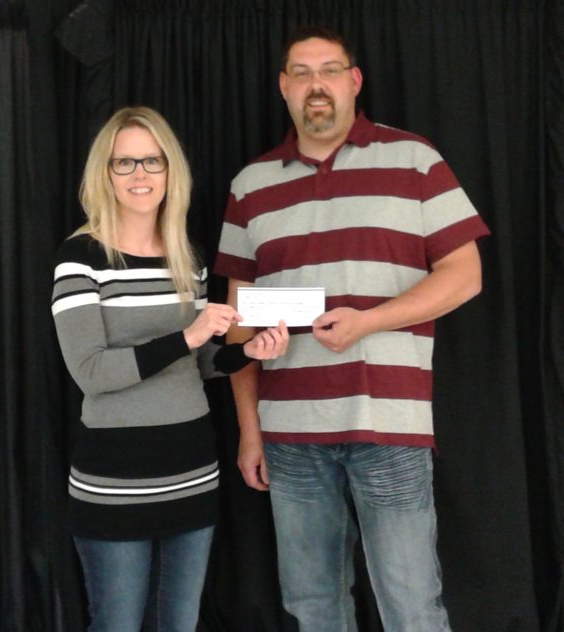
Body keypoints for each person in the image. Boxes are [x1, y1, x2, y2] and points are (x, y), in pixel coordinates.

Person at [215, 26, 490, 632]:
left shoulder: (415, 159)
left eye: (330, 70)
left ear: (354, 81)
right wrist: (250, 431)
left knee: (411, 607)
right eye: (302, 72)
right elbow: (235, 323)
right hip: (289, 436)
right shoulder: (250, 186)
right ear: (283, 86)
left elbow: (466, 275)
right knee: (312, 606)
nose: (316, 84)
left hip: (388, 424)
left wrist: (368, 322)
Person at [51, 106, 287, 632]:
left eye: (152, 161)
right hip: (115, 481)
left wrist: (249, 351)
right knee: (117, 624)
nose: (140, 175)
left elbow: (198, 365)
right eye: (124, 162)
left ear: (170, 169)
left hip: (191, 473)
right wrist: (187, 335)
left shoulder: (186, 256)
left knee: (179, 623)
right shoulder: (80, 257)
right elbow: (91, 372)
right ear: (105, 173)